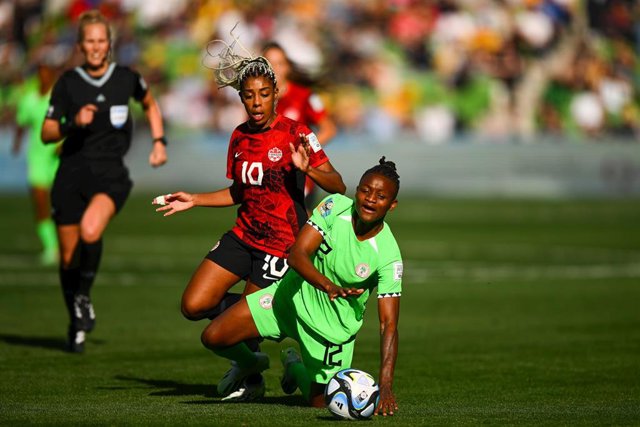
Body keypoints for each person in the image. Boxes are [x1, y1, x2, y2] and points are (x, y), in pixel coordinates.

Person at [153, 49, 345, 401]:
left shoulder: (297, 133)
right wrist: (194, 199)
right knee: (193, 305)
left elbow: (338, 184)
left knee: (244, 325)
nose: (256, 102)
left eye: (264, 94)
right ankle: (252, 363)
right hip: (243, 236)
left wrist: (308, 170)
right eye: (249, 95)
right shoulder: (239, 136)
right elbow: (240, 192)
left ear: (276, 94)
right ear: (241, 97)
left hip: (280, 246)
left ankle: (255, 369)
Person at [195, 157, 402, 416]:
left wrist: (385, 384)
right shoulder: (334, 206)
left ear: (391, 205)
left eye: (381, 196)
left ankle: (294, 367)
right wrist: (327, 285)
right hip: (288, 300)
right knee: (213, 337)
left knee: (321, 402)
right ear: (357, 191)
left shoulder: (388, 255)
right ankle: (251, 363)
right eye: (365, 190)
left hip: (330, 331)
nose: (370, 199)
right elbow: (296, 254)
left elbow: (388, 324)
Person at [41, 10, 168, 353]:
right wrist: (72, 122)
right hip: (70, 176)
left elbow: (150, 104)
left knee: (90, 232)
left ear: (109, 44)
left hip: (110, 176)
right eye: (90, 41)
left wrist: (159, 142)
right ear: (81, 45)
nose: (96, 47)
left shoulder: (126, 78)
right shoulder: (68, 83)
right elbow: (46, 133)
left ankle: (83, 296)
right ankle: (76, 322)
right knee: (68, 257)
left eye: (101, 41)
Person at [263, 42, 337, 212]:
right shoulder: (258, 100)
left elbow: (329, 129)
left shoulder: (304, 96)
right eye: (269, 63)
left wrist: (305, 149)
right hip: (269, 173)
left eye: (280, 63)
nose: (275, 69)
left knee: (297, 222)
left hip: (299, 174)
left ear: (287, 67)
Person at [12, 58, 61, 266]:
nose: (44, 75)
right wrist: (17, 142)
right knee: (40, 201)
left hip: (60, 156)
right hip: (38, 157)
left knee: (63, 203)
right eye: (40, 72)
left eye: (47, 71)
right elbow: (22, 122)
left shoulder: (60, 98)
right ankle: (51, 248)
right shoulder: (29, 99)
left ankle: (70, 243)